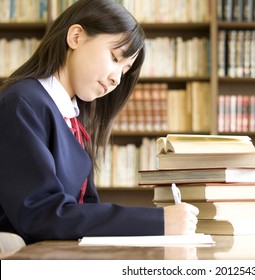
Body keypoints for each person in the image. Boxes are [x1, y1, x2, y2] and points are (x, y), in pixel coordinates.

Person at [0, 0, 198, 244]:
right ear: (76, 37)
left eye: (124, 71)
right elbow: (40, 215)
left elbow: (86, 207)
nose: (116, 80)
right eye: (115, 58)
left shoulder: (71, 118)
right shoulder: (20, 104)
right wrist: (159, 222)